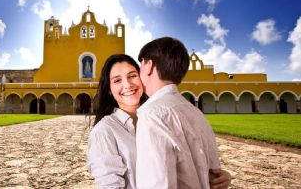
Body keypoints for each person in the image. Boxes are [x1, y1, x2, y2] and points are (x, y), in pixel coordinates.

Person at [87, 54, 230, 188]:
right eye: (117, 80)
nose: (128, 84)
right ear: (109, 90)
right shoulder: (104, 131)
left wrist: (220, 178)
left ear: (142, 78)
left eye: (132, 76)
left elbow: (187, 162)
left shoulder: (162, 117)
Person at [136, 37, 223, 188]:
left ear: (149, 66)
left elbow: (157, 184)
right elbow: (215, 176)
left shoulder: (152, 114)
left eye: (141, 64)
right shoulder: (196, 113)